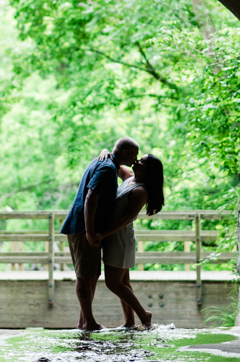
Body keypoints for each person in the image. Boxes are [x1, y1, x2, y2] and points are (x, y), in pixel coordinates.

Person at [59, 137, 140, 331]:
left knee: (91, 275)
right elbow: (90, 198)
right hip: (83, 228)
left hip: (89, 228)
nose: (136, 160)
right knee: (84, 276)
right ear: (126, 153)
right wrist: (89, 232)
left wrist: (105, 150)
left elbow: (130, 175)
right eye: (135, 155)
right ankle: (88, 322)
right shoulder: (106, 169)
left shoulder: (107, 162)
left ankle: (84, 321)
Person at [96, 150, 164, 329]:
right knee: (124, 283)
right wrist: (106, 151)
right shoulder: (129, 178)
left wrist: (103, 234)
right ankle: (129, 322)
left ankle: (144, 314)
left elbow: (125, 219)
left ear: (148, 169)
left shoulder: (141, 191)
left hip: (121, 239)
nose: (136, 161)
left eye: (141, 161)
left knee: (113, 283)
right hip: (115, 237)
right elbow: (116, 165)